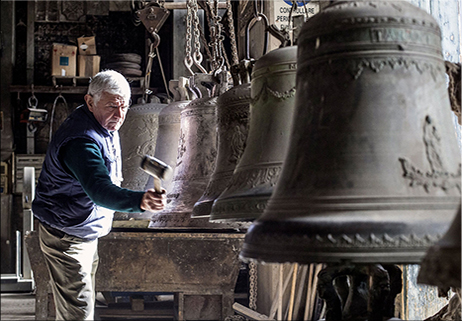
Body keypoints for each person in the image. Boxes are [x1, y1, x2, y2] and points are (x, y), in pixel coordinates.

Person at [32, 70, 165, 320]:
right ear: (90, 101)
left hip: (84, 229)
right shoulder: (81, 142)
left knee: (83, 307)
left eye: (124, 107)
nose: (119, 115)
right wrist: (139, 200)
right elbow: (100, 191)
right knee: (78, 313)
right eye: (112, 106)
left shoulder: (103, 124)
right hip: (67, 236)